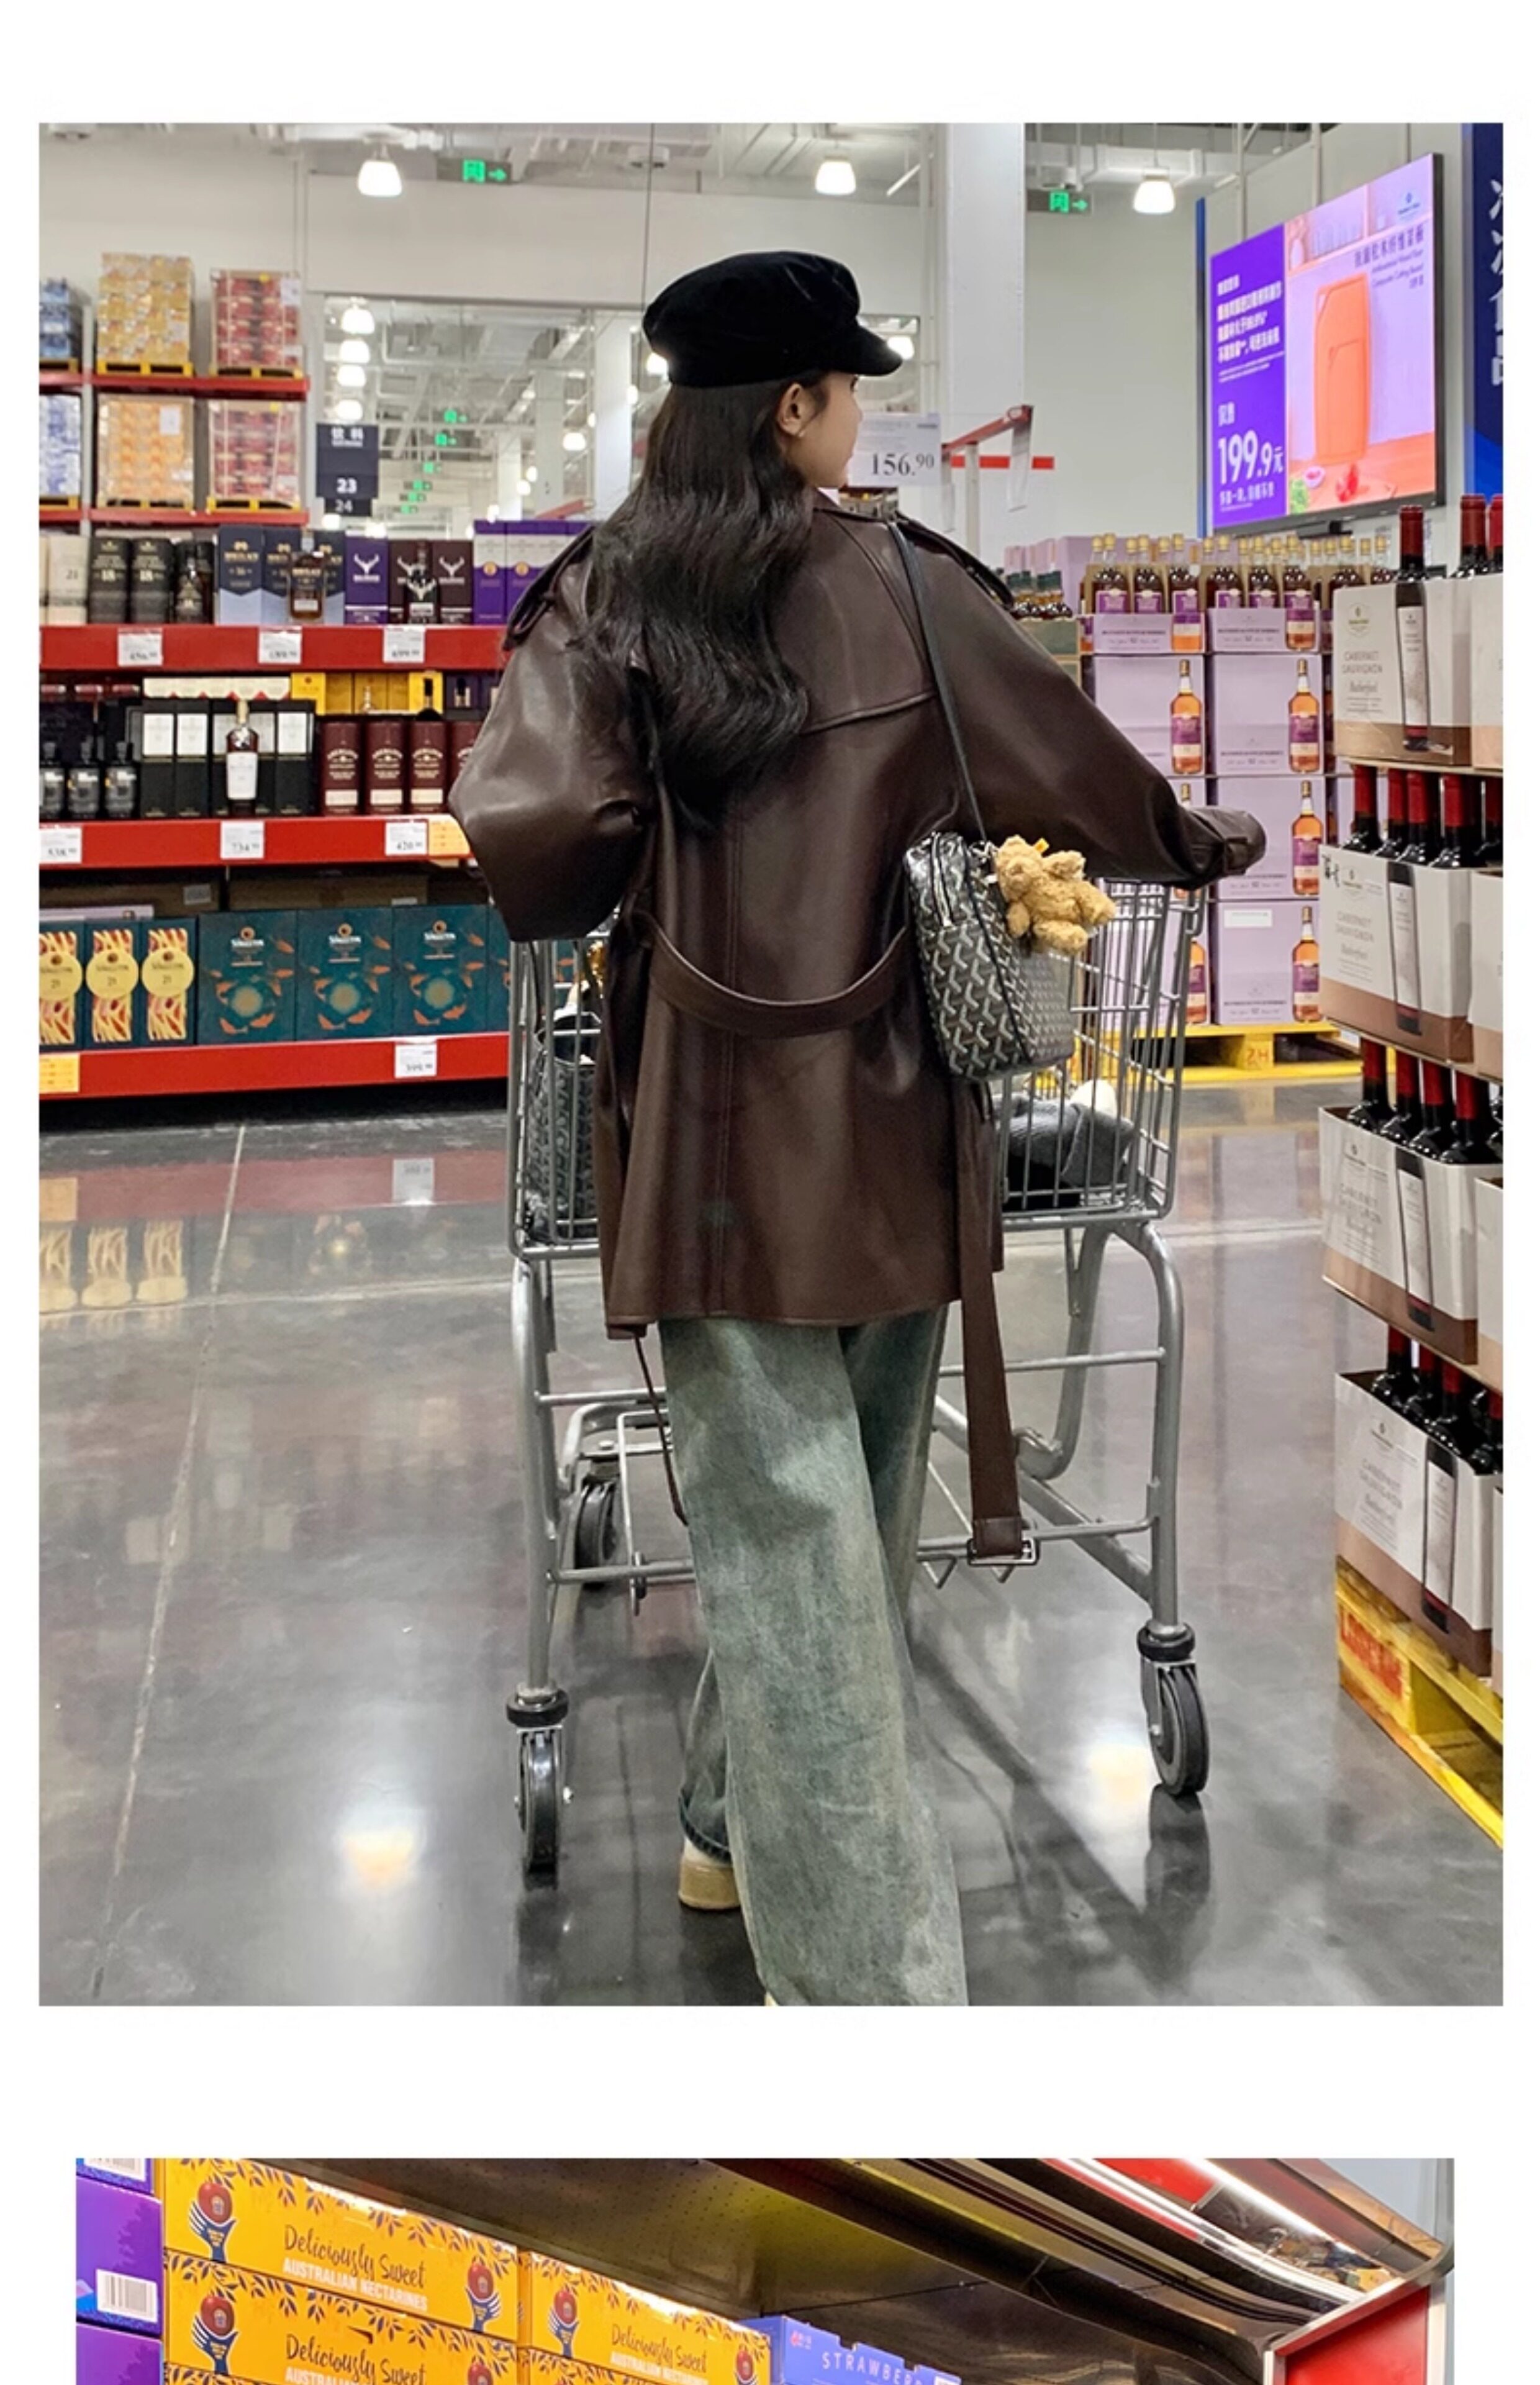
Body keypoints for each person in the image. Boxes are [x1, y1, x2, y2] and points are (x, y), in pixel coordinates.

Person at [453, 250, 1262, 2006]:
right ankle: (874, 2006)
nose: (861, 423)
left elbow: (537, 852)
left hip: (710, 1151)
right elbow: (1071, 766)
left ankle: (745, 1843)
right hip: (901, 1137)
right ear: (796, 408)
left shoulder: (604, 598)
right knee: (846, 1533)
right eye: (849, 392)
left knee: (795, 1544)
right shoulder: (909, 586)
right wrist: (1195, 843)